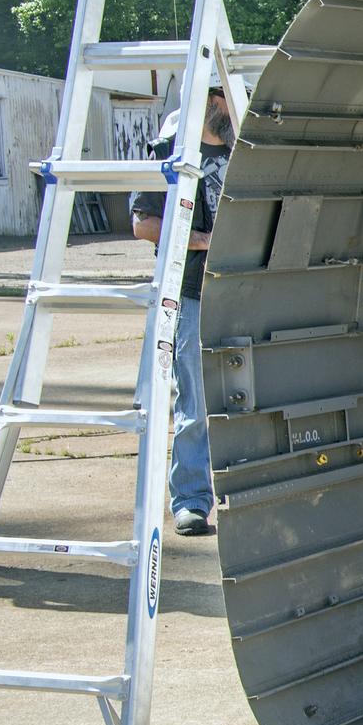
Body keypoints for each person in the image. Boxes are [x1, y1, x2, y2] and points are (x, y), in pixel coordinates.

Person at [130, 87, 233, 537]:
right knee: (195, 399)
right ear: (212, 98)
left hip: (243, 292)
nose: (236, 105)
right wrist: (204, 240)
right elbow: (142, 223)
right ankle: (191, 501)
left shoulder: (243, 150)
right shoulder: (171, 151)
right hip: (192, 293)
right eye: (228, 97)